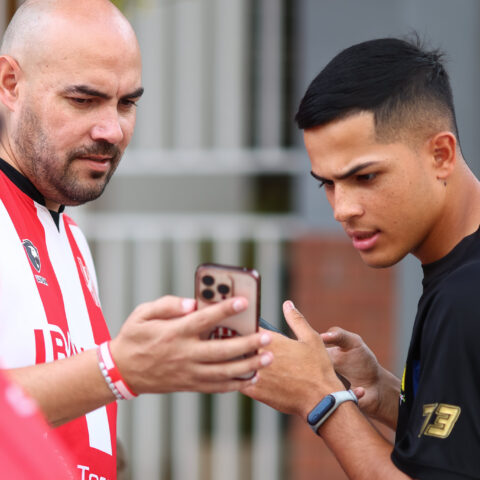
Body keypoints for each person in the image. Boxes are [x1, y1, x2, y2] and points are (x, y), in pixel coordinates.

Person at [0, 1, 273, 478]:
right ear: (10, 84)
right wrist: (117, 369)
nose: (112, 130)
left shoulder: (70, 237)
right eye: (83, 100)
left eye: (127, 103)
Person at [243, 36, 480, 479]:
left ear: (441, 155)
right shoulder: (458, 279)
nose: (342, 209)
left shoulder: (465, 297)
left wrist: (320, 398)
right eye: (327, 184)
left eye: (365, 176)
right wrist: (384, 393)